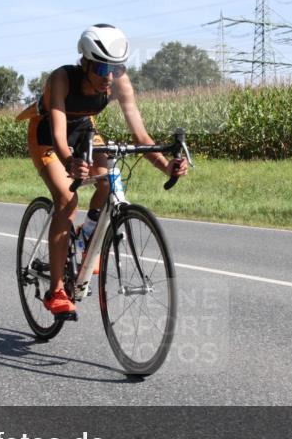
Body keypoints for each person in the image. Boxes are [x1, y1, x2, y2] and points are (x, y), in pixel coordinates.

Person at [16, 24, 188, 316]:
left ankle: (87, 234)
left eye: (115, 67)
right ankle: (56, 290)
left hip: (83, 130)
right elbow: (58, 136)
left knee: (109, 179)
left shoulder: (119, 82)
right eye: (101, 67)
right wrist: (71, 162)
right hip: (47, 138)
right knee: (67, 200)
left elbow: (141, 138)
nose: (109, 76)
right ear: (84, 62)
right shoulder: (61, 79)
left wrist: (166, 166)